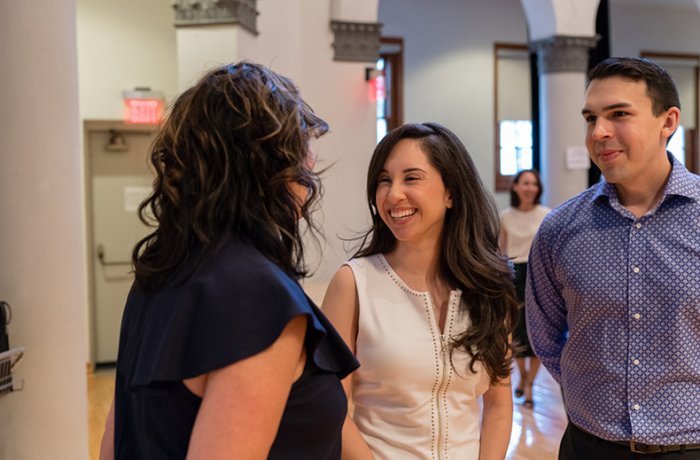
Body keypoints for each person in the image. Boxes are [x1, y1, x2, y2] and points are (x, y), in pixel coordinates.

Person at [98, 61, 359, 459]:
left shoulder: (158, 274)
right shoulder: (256, 296)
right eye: (300, 154)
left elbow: (114, 442)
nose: (309, 174)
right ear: (267, 166)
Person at [527, 56, 700, 459]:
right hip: (589, 446)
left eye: (619, 114)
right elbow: (545, 336)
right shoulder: (560, 229)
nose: (599, 132)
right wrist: (593, 399)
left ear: (668, 121)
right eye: (590, 118)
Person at [322, 122, 519, 459]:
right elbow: (328, 405)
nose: (393, 194)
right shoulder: (354, 282)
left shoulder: (488, 287)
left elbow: (499, 403)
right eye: (384, 180)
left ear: (451, 193)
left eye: (411, 178)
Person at [498, 169, 550, 409]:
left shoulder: (547, 215)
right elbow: (500, 252)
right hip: (514, 276)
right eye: (525, 183)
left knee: (539, 331)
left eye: (533, 184)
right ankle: (524, 378)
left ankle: (529, 385)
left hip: (539, 273)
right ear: (516, 187)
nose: (529, 187)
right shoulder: (505, 217)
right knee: (517, 332)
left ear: (538, 188)